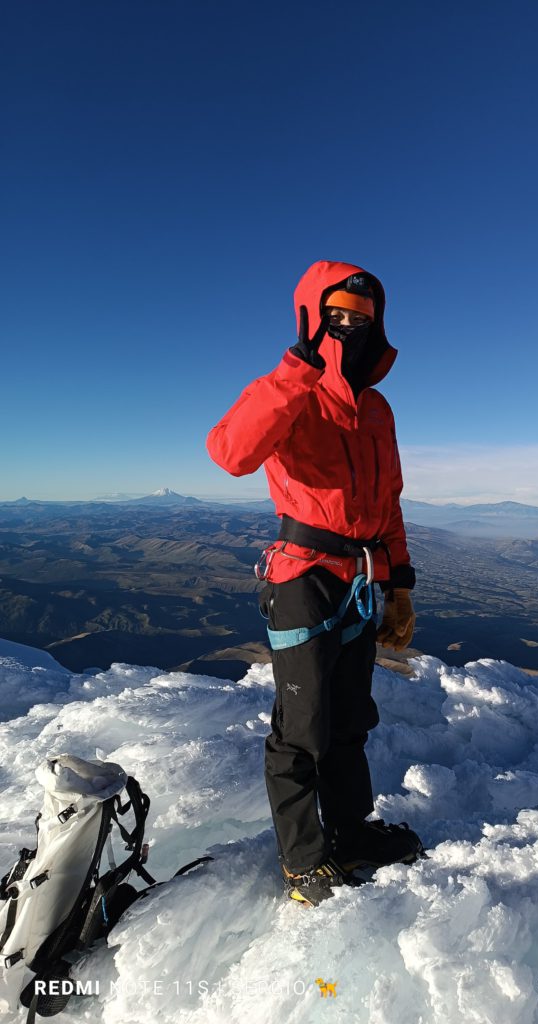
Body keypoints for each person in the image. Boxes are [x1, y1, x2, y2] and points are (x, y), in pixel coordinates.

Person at [206, 260, 422, 906]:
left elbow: (388, 506)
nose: (352, 328)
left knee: (350, 721)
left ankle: (352, 835)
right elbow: (230, 451)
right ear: (311, 318)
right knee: (304, 726)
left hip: (357, 582)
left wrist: (400, 585)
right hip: (302, 579)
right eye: (337, 317)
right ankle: (304, 863)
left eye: (364, 319)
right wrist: (295, 370)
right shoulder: (292, 392)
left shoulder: (378, 410)